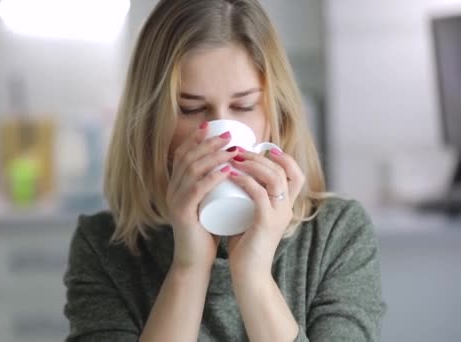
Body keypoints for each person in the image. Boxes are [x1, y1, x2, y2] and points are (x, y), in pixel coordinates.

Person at [64, 0, 386, 341]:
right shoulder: (104, 247)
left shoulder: (337, 235)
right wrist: (188, 269)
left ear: (275, 112)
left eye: (244, 105)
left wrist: (253, 276)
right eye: (190, 108)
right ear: (150, 122)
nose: (222, 129)